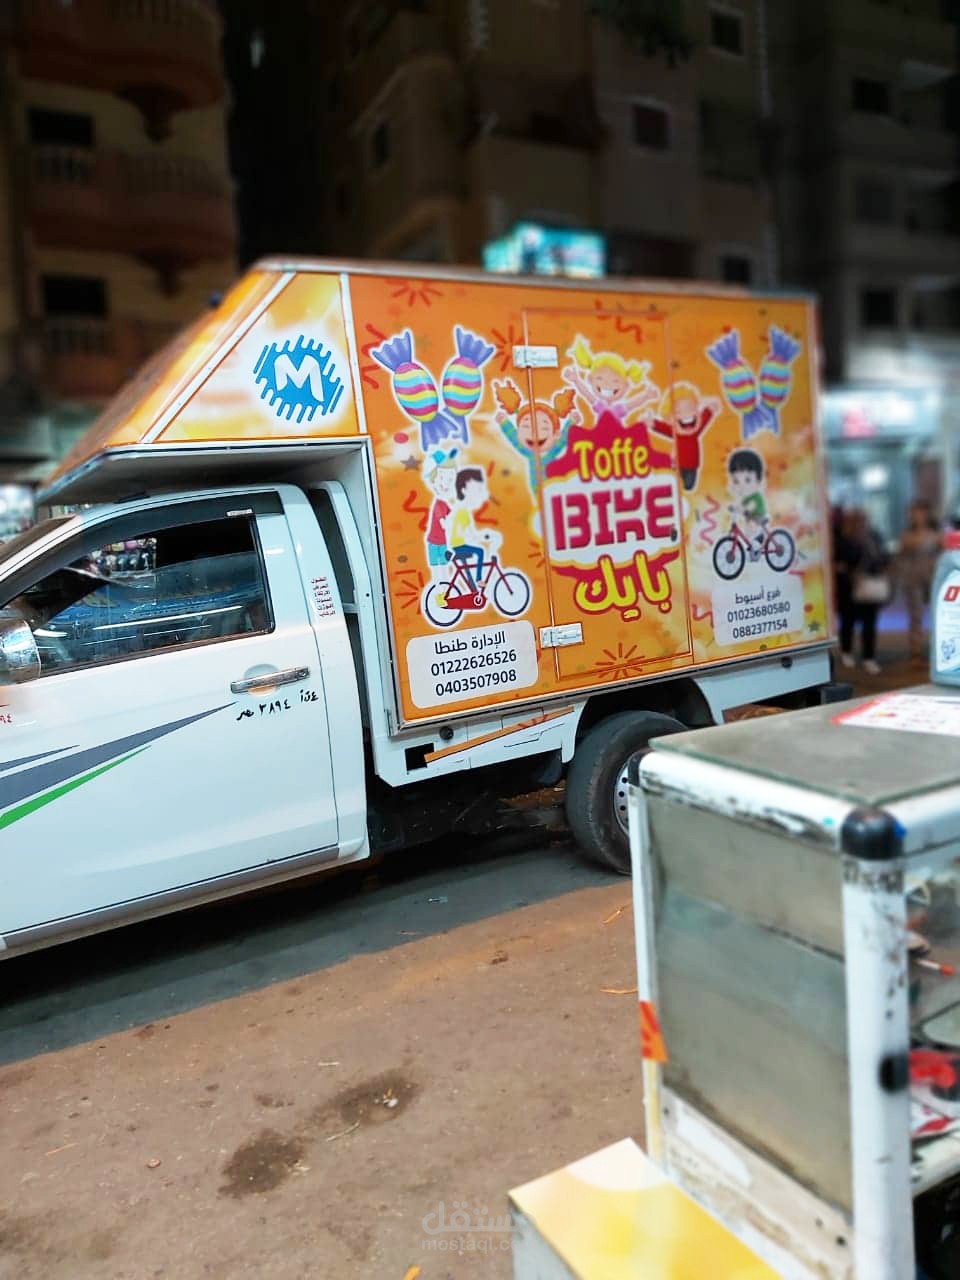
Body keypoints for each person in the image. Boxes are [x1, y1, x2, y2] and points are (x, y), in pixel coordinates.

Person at [838, 509, 890, 675]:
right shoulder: (845, 539)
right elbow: (842, 561)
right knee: (848, 621)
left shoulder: (874, 536)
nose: (863, 524)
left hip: (870, 584)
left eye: (865, 520)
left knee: (870, 623)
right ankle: (846, 651)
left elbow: (884, 557)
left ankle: (869, 657)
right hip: (849, 587)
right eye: (860, 520)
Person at [897, 499, 940, 662]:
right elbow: (901, 557)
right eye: (914, 513)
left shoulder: (936, 534)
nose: (917, 516)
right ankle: (916, 650)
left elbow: (943, 553)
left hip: (933, 577)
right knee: (916, 615)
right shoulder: (907, 535)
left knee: (938, 613)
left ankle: (936, 646)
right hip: (913, 579)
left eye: (921, 513)